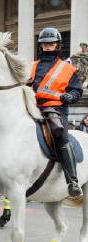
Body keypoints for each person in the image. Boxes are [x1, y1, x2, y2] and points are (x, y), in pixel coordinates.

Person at [31, 27, 83, 198]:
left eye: (51, 43)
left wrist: (71, 96)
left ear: (58, 45)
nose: (48, 46)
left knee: (60, 135)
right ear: (41, 46)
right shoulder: (31, 66)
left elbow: (77, 90)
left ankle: (73, 181)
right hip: (31, 106)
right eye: (45, 44)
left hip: (55, 108)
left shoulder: (67, 69)